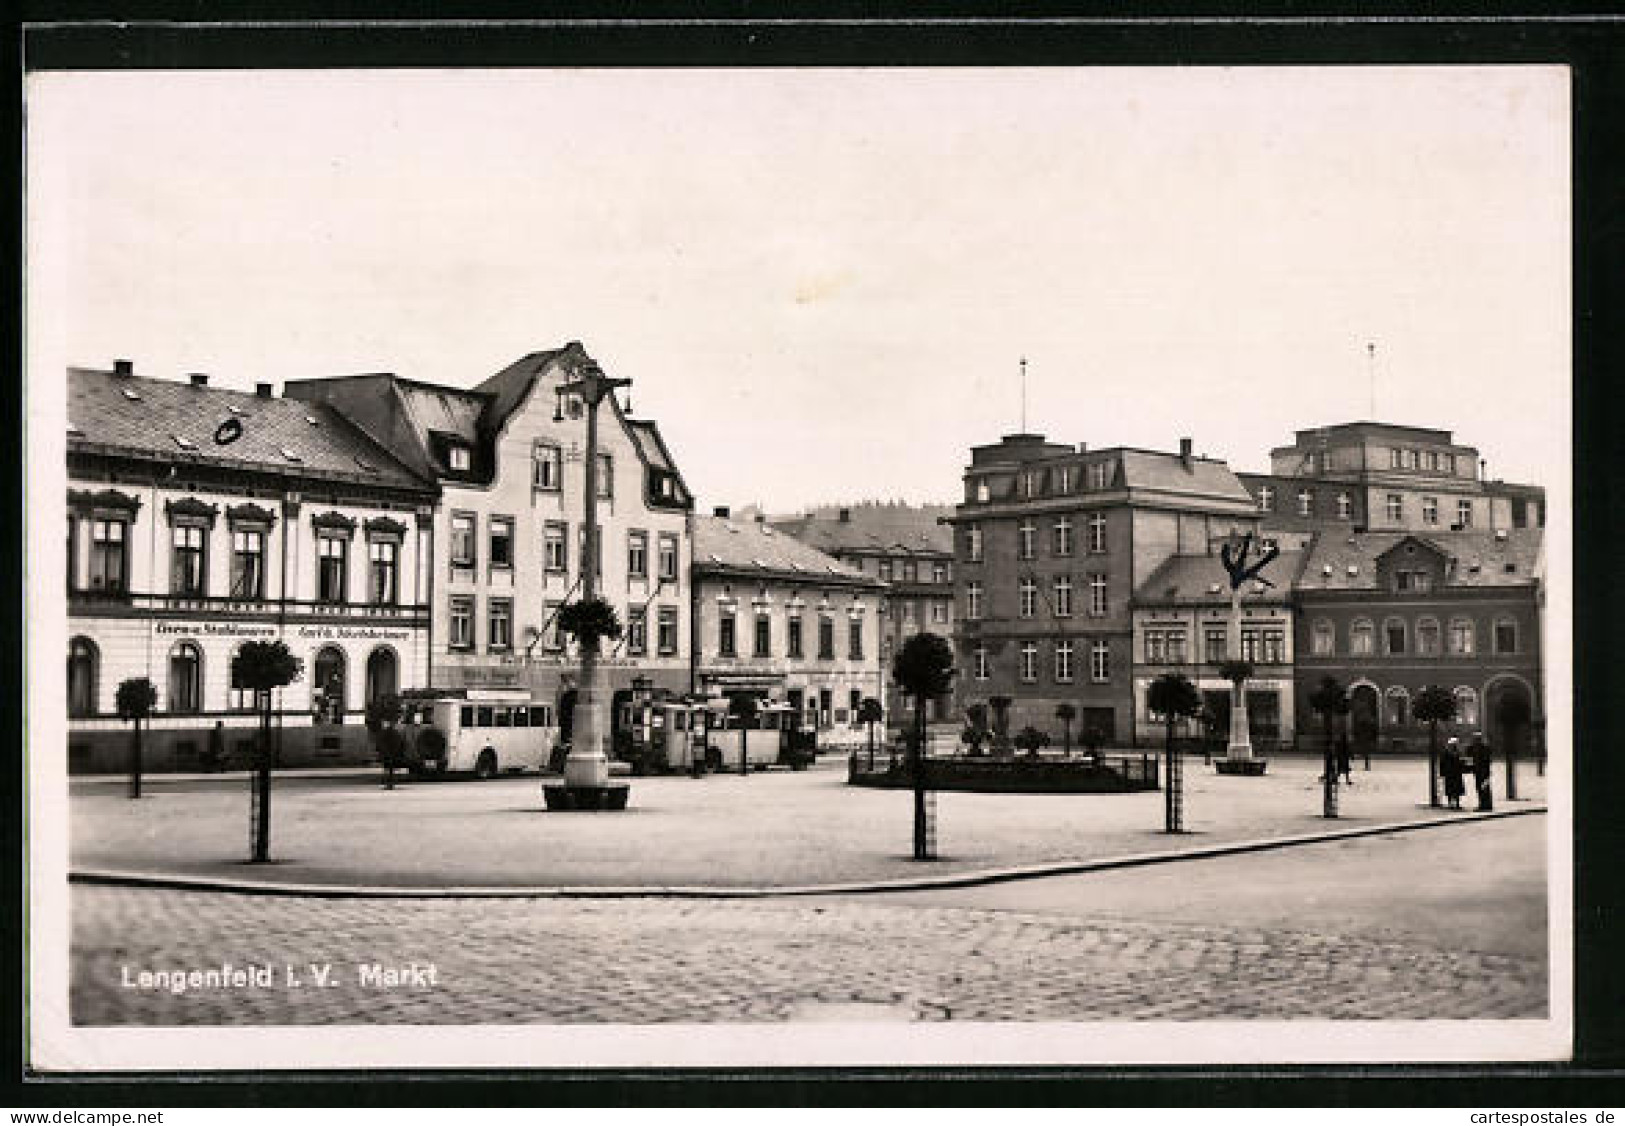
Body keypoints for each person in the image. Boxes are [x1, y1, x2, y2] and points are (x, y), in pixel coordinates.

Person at [1469, 733, 1494, 811]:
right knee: (1482, 788)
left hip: (1483, 772)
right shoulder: (1480, 748)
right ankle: (1486, 804)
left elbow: (1486, 760)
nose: (1475, 741)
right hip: (1481, 772)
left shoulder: (1483, 748)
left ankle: (1484, 805)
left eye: (1476, 739)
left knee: (1483, 788)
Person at [1441, 737, 1466, 810]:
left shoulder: (1453, 752)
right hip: (1451, 773)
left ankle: (1456, 803)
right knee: (1451, 789)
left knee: (1455, 789)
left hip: (1454, 773)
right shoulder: (1448, 752)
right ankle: (1452, 803)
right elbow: (1443, 763)